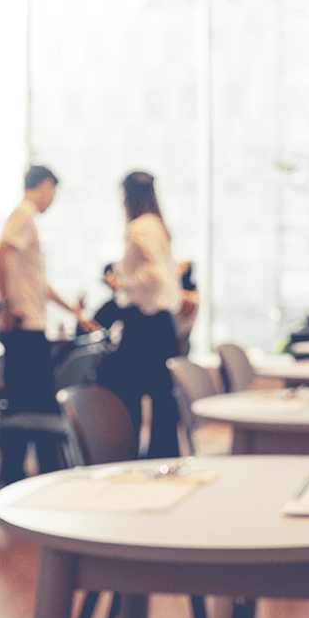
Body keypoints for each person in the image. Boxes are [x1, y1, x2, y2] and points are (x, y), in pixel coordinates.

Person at [0, 165, 95, 484]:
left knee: (30, 406)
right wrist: (8, 304)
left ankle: (26, 476)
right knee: (31, 408)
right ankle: (25, 477)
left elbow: (40, 284)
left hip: (31, 327)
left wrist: (74, 313)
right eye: (53, 191)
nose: (53, 199)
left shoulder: (27, 221)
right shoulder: (23, 215)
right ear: (44, 185)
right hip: (24, 329)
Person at [98, 170, 182, 458]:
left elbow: (156, 274)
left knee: (126, 393)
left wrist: (122, 283)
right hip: (161, 324)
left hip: (144, 324)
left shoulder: (139, 227)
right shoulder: (158, 224)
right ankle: (161, 458)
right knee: (162, 399)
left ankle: (126, 456)